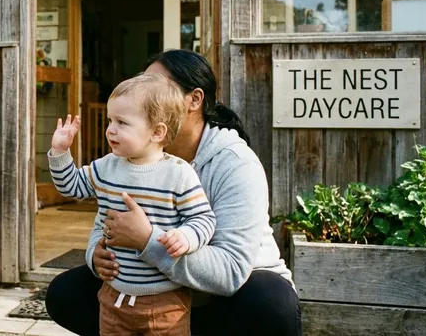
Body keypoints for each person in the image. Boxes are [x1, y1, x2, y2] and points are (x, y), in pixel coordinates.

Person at [45, 49, 302, 336]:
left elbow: (230, 272)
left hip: (227, 297)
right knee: (65, 292)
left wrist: (147, 240)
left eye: (156, 87)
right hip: (152, 292)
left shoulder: (235, 164)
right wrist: (96, 253)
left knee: (270, 301)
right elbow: (107, 215)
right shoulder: (129, 158)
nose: (144, 95)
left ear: (194, 100)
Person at [48, 73, 216, 335]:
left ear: (157, 132)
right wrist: (60, 152)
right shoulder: (106, 167)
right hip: (114, 298)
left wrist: (186, 236)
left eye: (122, 122)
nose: (110, 129)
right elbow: (72, 187)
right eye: (110, 121)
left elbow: (204, 219)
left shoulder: (179, 174)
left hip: (166, 303)